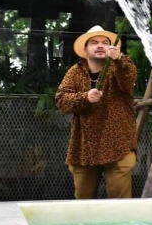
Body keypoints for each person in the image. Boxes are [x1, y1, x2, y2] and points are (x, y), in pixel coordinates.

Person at [55, 25, 138, 199]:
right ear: (85, 49)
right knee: (84, 205)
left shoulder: (122, 66)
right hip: (84, 148)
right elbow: (61, 100)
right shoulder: (75, 72)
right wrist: (85, 97)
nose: (100, 46)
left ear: (112, 47)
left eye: (105, 42)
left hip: (118, 146)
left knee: (120, 205)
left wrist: (119, 59)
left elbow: (128, 80)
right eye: (94, 42)